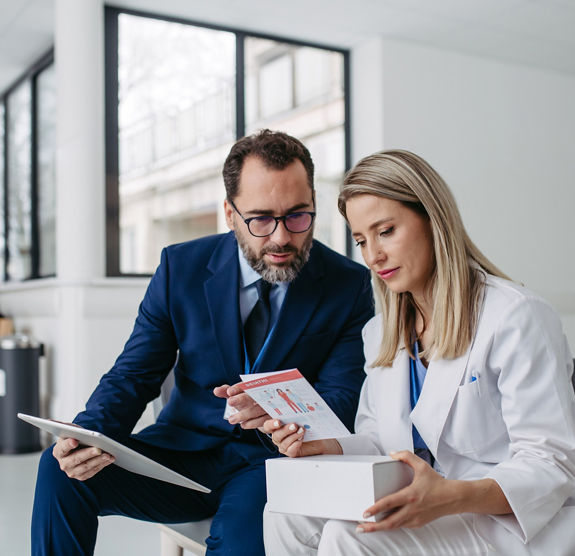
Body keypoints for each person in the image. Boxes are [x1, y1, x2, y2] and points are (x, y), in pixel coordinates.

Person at [31, 130, 374, 556]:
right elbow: (135, 373)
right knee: (61, 468)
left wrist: (280, 409)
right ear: (229, 214)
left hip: (272, 466)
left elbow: (341, 399)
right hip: (181, 454)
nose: (282, 237)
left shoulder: (349, 284)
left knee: (238, 545)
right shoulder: (181, 266)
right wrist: (89, 435)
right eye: (261, 219)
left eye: (298, 216)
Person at [263, 149, 575, 555]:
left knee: (347, 537)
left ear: (431, 219)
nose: (373, 256)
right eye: (361, 240)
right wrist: (328, 446)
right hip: (434, 506)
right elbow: (381, 440)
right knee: (283, 512)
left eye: (386, 231)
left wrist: (451, 496)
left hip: (515, 520)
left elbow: (551, 462)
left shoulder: (516, 316)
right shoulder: (381, 332)